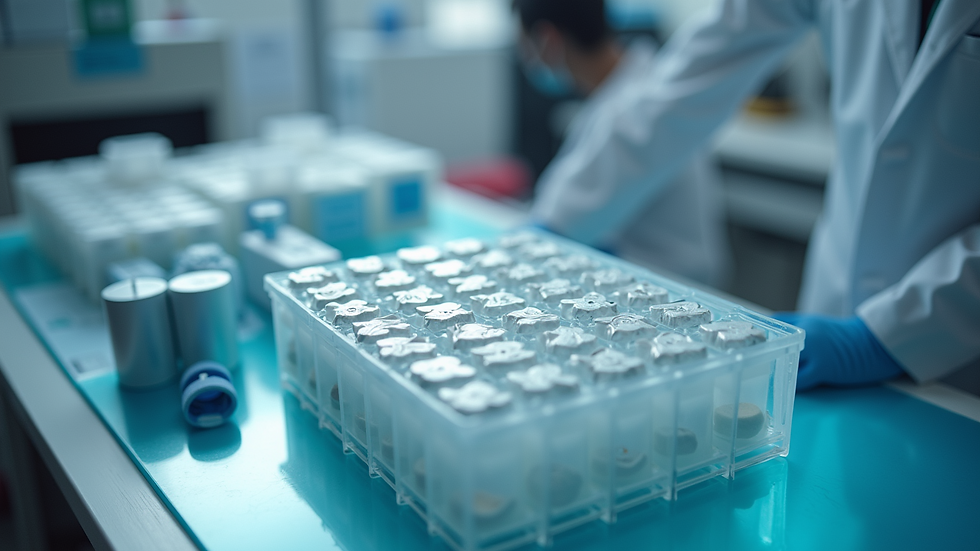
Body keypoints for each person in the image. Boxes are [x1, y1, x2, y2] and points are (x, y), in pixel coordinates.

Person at [521, 0, 980, 392]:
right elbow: (694, 73)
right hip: (837, 293)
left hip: (961, 346)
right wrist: (558, 219)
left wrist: (891, 334)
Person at [513, 0, 731, 287]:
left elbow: (558, 224)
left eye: (525, 48)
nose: (527, 61)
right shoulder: (641, 85)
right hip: (662, 271)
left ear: (547, 40)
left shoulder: (627, 113)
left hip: (671, 287)